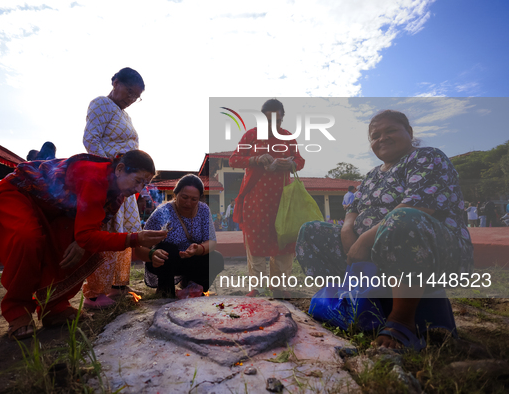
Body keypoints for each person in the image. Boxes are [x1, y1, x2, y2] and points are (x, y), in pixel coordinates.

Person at [296, 110, 473, 350]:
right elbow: (353, 207)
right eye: (375, 135)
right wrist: (348, 229)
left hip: (430, 251)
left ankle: (401, 320)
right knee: (311, 231)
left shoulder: (427, 157)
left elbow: (419, 203)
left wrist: (365, 240)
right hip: (366, 251)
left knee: (403, 218)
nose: (382, 138)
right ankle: (348, 303)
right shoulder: (371, 175)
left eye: (390, 131)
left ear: (409, 133)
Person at [0, 150, 167, 340]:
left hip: (57, 211)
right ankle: (16, 309)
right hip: (21, 193)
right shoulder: (94, 177)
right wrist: (134, 238)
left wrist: (82, 241)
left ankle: (54, 307)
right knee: (28, 238)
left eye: (144, 184)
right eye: (138, 181)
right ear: (120, 169)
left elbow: (92, 229)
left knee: (82, 248)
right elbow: (89, 235)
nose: (139, 189)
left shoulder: (118, 190)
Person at [82, 67, 145, 308]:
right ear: (115, 82)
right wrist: (116, 168)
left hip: (126, 182)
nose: (130, 99)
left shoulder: (125, 115)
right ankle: (96, 292)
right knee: (107, 230)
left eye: (135, 97)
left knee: (124, 232)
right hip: (110, 179)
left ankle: (118, 285)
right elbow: (91, 141)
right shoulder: (100, 104)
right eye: (129, 92)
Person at [229, 99, 305, 298]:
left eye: (278, 121)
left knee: (283, 241)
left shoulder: (288, 136)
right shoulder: (251, 135)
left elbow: (300, 161)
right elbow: (234, 159)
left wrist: (290, 164)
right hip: (255, 198)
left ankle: (279, 287)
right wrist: (255, 159)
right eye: (269, 121)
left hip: (283, 199)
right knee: (256, 241)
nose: (274, 126)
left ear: (282, 118)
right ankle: (258, 287)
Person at [142, 175, 224, 297]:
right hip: (164, 262)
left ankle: (192, 287)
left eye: (194, 199)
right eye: (184, 197)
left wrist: (197, 249)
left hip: (191, 259)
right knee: (168, 249)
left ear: (199, 198)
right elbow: (143, 241)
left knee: (216, 258)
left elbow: (211, 241)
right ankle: (165, 290)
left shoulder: (203, 210)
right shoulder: (163, 211)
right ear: (176, 194)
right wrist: (152, 254)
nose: (188, 203)